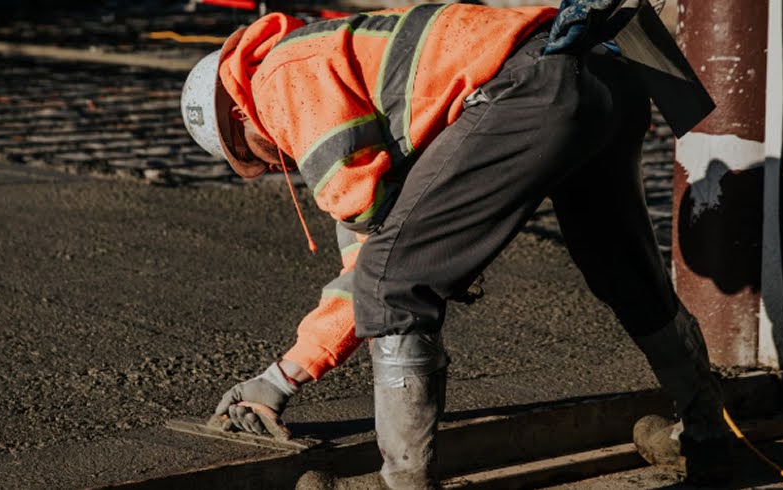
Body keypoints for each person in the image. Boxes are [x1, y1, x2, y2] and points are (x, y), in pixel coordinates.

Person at [180, 1, 732, 488]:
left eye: (250, 154)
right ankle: (706, 433)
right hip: (602, 74)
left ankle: (404, 483)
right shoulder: (339, 69)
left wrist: (279, 379)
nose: (272, 164)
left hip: (532, 85)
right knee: (624, 270)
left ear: (238, 113)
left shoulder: (281, 81)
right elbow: (369, 253)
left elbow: (376, 269)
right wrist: (282, 378)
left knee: (392, 285)